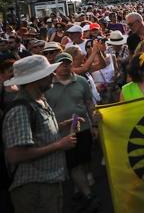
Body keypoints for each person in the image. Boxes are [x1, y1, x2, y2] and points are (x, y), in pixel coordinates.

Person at [2, 55, 78, 213]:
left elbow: (39, 134)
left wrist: (62, 126)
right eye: (48, 73)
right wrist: (59, 145)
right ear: (33, 80)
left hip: (48, 184)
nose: (53, 75)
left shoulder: (39, 100)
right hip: (34, 189)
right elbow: (15, 155)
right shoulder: (20, 109)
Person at [47, 53, 99, 210]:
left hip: (82, 128)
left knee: (84, 159)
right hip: (62, 133)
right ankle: (88, 194)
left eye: (68, 63)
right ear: (55, 67)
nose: (65, 66)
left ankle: (79, 187)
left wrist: (94, 125)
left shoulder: (81, 81)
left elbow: (89, 103)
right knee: (73, 163)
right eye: (61, 64)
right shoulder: (48, 85)